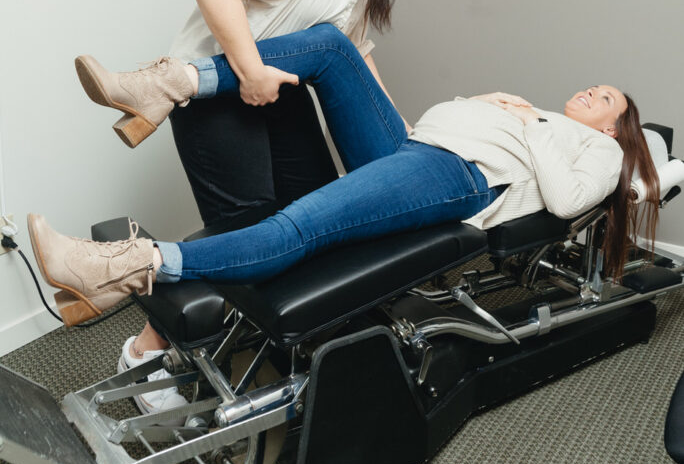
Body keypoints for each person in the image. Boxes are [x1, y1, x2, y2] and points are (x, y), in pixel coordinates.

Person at [75, 0, 454, 414]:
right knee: (250, 237)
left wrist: (400, 136)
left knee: (318, 220)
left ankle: (294, 350)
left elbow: (352, 52)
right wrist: (249, 68)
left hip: (282, 96)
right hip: (222, 99)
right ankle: (144, 351)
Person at [31, 25, 660, 329]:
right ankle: (168, 84)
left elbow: (568, 199)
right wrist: (495, 102)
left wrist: (532, 127)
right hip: (413, 146)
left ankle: (125, 267)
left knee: (298, 222)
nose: (591, 90)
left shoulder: (596, 151)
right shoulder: (537, 111)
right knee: (334, 48)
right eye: (595, 85)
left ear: (612, 127)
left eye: (604, 96)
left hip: (455, 177)